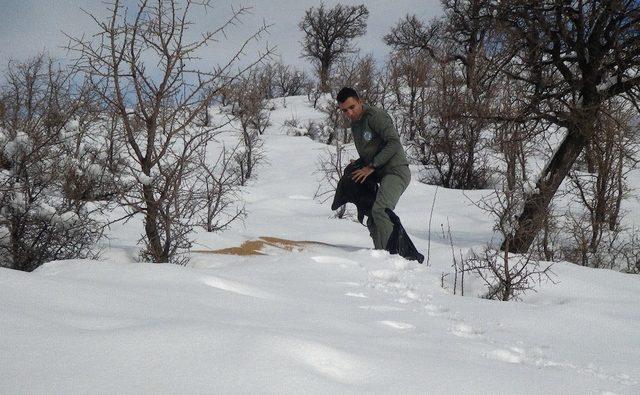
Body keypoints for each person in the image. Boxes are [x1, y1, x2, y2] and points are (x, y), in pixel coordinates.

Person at [336, 87, 411, 250]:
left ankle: (391, 257)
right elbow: (373, 149)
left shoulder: (375, 116)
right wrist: (361, 162)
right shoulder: (356, 125)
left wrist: (371, 166)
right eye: (344, 110)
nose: (349, 113)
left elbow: (394, 143)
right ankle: (381, 256)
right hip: (379, 172)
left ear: (360, 102)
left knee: (381, 211)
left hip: (395, 170)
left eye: (352, 107)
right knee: (371, 215)